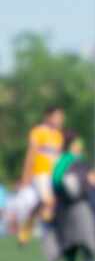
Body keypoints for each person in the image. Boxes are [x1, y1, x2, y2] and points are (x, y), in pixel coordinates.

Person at [15, 105, 65, 245]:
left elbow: (57, 158)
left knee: (41, 204)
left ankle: (26, 230)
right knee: (49, 202)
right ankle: (53, 234)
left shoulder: (58, 136)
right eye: (57, 116)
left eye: (61, 117)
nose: (60, 120)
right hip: (40, 173)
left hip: (52, 175)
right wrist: (26, 175)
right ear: (48, 117)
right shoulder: (38, 132)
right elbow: (31, 154)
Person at [52, 131, 95, 261]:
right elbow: (56, 180)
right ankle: (76, 258)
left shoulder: (78, 160)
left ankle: (84, 257)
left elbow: (92, 179)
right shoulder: (65, 160)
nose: (80, 146)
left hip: (77, 201)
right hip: (72, 202)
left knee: (78, 231)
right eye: (78, 143)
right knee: (79, 231)